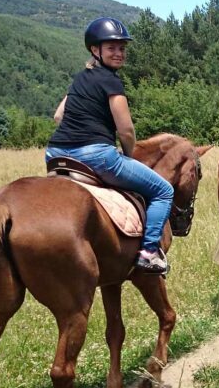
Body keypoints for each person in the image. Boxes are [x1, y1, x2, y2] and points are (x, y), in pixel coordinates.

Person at [47, 17, 173, 273]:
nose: (119, 53)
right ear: (96, 50)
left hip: (56, 154)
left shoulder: (81, 78)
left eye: (122, 48)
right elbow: (126, 130)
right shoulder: (112, 81)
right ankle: (149, 252)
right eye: (112, 47)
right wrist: (129, 156)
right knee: (163, 190)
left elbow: (58, 116)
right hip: (97, 156)